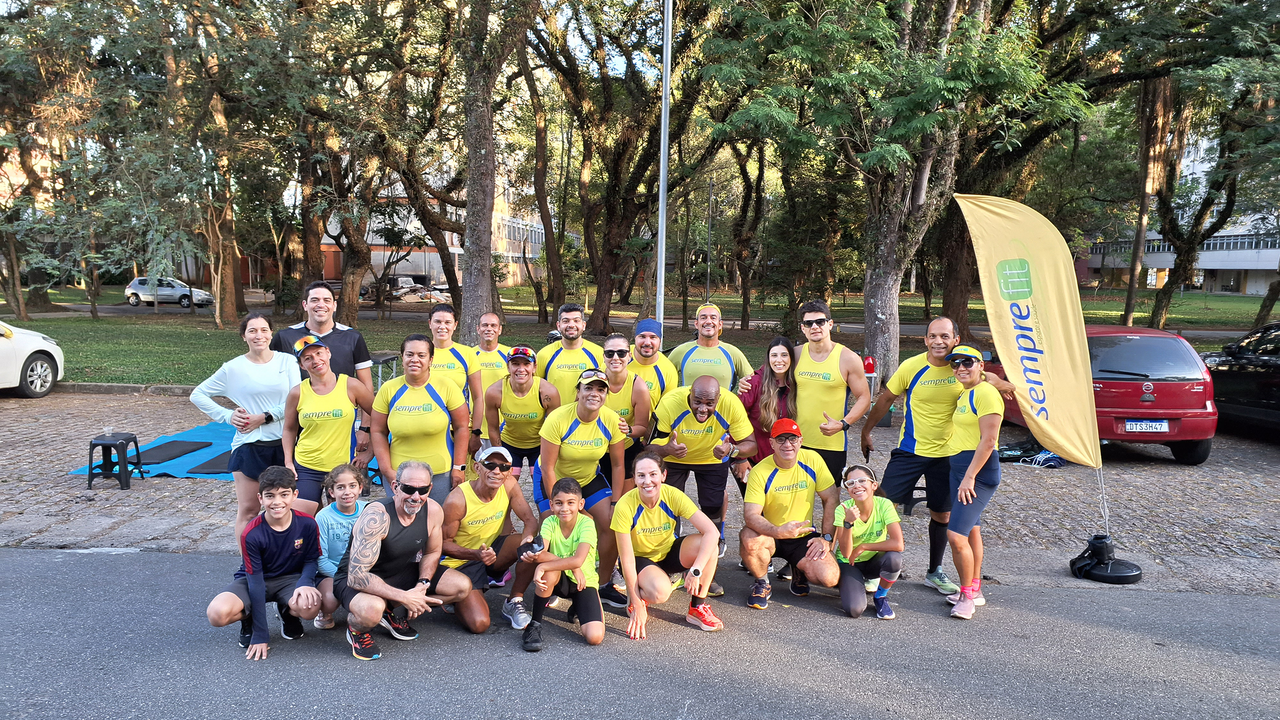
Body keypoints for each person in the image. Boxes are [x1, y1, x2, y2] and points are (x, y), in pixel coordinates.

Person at [860, 316, 1014, 596]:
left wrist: (1004, 386)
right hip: (910, 450)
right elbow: (885, 399)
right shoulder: (912, 366)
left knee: (942, 514)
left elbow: (993, 382)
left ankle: (934, 572)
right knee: (882, 507)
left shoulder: (963, 369)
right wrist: (866, 430)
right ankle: (874, 570)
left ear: (956, 340)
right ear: (925, 340)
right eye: (933, 336)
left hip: (948, 456)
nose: (938, 342)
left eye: (945, 336)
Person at [333, 460, 473, 660]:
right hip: (355, 580)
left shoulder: (433, 511)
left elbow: (432, 552)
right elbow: (356, 576)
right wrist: (405, 597)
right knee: (371, 610)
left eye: (422, 490)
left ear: (430, 489)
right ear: (395, 486)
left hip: (398, 572)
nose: (416, 497)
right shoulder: (377, 517)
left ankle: (389, 610)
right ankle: (357, 630)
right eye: (408, 489)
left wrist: (422, 585)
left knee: (461, 587)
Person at [191, 313, 301, 543]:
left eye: (264, 330)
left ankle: (286, 558)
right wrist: (227, 415)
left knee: (289, 510)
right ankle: (248, 562)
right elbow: (198, 394)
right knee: (249, 510)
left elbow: (297, 398)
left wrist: (265, 417)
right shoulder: (233, 368)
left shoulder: (287, 361)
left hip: (287, 445)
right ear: (244, 336)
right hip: (250, 446)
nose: (259, 335)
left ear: (271, 333)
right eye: (252, 331)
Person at [205, 466, 322, 661]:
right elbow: (256, 582)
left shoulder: (308, 523)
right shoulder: (251, 533)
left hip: (289, 579)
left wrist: (305, 582)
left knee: (310, 607)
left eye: (284, 494)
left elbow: (311, 559)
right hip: (254, 579)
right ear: (260, 498)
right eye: (270, 496)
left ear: (294, 495)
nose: (277, 502)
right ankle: (248, 618)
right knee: (217, 615)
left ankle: (287, 611)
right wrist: (261, 633)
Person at [535, 369, 628, 608]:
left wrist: (615, 502)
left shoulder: (611, 420)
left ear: (606, 395)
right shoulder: (558, 418)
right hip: (555, 478)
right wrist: (559, 505)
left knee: (611, 522)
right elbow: (547, 467)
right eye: (588, 388)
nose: (594, 393)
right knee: (554, 526)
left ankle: (603, 583)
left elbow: (618, 465)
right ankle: (554, 582)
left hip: (587, 479)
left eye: (600, 389)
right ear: (578, 392)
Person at [612, 451, 726, 639]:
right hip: (640, 560)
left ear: (663, 475)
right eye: (641, 475)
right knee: (660, 593)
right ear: (634, 479)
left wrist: (695, 570)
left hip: (667, 553)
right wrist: (637, 604)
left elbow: (712, 532)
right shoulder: (625, 506)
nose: (647, 481)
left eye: (653, 474)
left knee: (710, 546)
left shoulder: (673, 495)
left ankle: (697, 607)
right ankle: (638, 596)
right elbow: (627, 560)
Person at [651, 375, 757, 569]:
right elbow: (648, 447)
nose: (702, 409)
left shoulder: (731, 404)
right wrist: (667, 449)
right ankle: (670, 552)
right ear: (690, 394)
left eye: (709, 403)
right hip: (674, 457)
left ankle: (713, 548)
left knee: (712, 505)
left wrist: (732, 450)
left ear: (719, 399)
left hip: (712, 457)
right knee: (667, 505)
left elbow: (751, 446)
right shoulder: (670, 402)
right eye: (697, 402)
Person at [739, 419, 839, 610]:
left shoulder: (813, 460)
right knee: (749, 538)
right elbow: (751, 515)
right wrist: (778, 531)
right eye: (781, 439)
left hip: (803, 535)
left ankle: (798, 567)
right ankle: (762, 582)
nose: (787, 445)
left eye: (792, 439)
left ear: (800, 441)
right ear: (771, 443)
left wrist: (826, 538)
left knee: (829, 578)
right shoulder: (760, 471)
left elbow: (831, 499)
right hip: (770, 534)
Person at [440, 447, 541, 633]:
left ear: (509, 472)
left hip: (489, 553)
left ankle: (514, 601)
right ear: (477, 468)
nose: (496, 471)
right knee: (479, 624)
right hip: (461, 563)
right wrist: (476, 555)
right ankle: (455, 595)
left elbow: (530, 521)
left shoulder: (509, 484)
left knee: (531, 547)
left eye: (503, 467)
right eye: (490, 465)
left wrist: (526, 542)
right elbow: (443, 545)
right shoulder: (457, 500)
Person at [270, 281, 374, 458]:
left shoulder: (352, 337)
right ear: (305, 305)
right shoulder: (285, 337)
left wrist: (365, 428)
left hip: (340, 425)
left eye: (326, 300)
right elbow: (269, 378)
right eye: (315, 300)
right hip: (299, 425)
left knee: (346, 472)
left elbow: (366, 386)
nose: (321, 304)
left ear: (334, 305)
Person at [370, 334, 470, 506]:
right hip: (399, 476)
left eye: (421, 355)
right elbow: (378, 431)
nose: (414, 360)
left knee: (438, 521)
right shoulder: (388, 389)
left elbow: (462, 427)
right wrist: (387, 471)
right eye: (409, 354)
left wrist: (459, 468)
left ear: (431, 360)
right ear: (402, 358)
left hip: (440, 475)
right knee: (402, 520)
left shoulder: (446, 387)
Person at [942, 344, 1004, 620]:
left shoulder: (986, 393)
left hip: (976, 472)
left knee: (956, 535)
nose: (960, 368)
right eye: (955, 364)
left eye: (967, 362)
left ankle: (967, 596)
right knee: (972, 530)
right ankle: (975, 588)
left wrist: (969, 477)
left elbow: (989, 441)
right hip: (960, 468)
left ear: (981, 365)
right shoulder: (967, 392)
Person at [282, 335, 374, 517]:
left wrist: (370, 451)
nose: (316, 360)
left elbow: (380, 417)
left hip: (342, 467)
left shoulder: (351, 386)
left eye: (318, 353)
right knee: (303, 519)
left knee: (342, 519)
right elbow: (289, 429)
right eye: (308, 358)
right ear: (302, 365)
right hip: (307, 466)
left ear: (328, 353)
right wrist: (288, 462)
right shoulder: (297, 393)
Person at [519, 477, 606, 652]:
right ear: (551, 505)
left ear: (581, 504)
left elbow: (578, 560)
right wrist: (571, 567)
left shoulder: (587, 524)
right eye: (559, 503)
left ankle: (578, 606)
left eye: (570, 502)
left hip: (584, 582)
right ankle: (534, 624)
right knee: (549, 573)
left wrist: (543, 566)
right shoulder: (550, 522)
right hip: (560, 579)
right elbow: (540, 552)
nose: (564, 508)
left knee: (595, 637)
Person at [792, 300, 871, 483]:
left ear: (830, 324)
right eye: (808, 323)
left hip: (832, 443)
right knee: (797, 495)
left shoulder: (848, 358)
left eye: (820, 322)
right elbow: (767, 378)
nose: (814, 327)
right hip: (796, 441)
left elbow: (864, 398)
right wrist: (746, 382)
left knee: (831, 496)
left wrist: (844, 424)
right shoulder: (795, 355)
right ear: (803, 328)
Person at [833, 464, 904, 620]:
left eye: (862, 481)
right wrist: (848, 523)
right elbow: (846, 553)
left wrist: (863, 546)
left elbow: (898, 544)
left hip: (873, 560)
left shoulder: (884, 504)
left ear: (874, 485)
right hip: (849, 563)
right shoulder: (842, 509)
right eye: (851, 483)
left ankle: (880, 597)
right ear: (847, 489)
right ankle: (848, 582)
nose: (856, 486)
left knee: (894, 558)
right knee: (854, 610)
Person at [484, 345, 560, 480]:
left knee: (542, 483)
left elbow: (555, 430)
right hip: (510, 443)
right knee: (507, 484)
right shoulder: (494, 392)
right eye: (515, 364)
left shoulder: (548, 392)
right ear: (508, 367)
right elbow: (493, 428)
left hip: (539, 445)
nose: (521, 369)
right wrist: (501, 456)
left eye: (526, 364)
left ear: (534, 367)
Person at [735, 336, 798, 494]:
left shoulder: (796, 385)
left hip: (781, 459)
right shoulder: (754, 383)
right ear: (768, 358)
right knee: (755, 504)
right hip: (752, 459)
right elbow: (735, 419)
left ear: (791, 358)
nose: (779, 360)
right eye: (774, 355)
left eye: (784, 355)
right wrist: (740, 458)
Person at [314, 464, 368, 630]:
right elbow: (321, 561)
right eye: (340, 487)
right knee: (330, 601)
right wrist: (348, 577)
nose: (347, 492)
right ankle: (324, 610)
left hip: (364, 568)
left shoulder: (368, 509)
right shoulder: (323, 517)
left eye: (352, 486)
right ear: (332, 492)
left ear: (360, 488)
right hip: (333, 570)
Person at [427, 304, 485, 453]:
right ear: (430, 323)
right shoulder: (421, 352)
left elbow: (478, 397)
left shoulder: (466, 353)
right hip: (427, 425)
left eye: (447, 322)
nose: (442, 327)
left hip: (459, 427)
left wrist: (476, 432)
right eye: (437, 322)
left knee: (460, 468)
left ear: (455, 325)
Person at [600, 333, 652, 491]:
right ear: (604, 356)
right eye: (610, 353)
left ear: (629, 356)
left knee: (624, 498)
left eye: (621, 353)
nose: (615, 358)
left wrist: (628, 430)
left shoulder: (638, 386)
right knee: (598, 498)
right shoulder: (594, 381)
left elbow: (642, 427)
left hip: (625, 448)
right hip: (596, 448)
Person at [668, 303, 753, 392]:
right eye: (703, 318)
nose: (708, 321)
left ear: (720, 324)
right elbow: (663, 378)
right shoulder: (681, 351)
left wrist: (745, 385)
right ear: (696, 324)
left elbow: (754, 383)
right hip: (687, 402)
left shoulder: (732, 352)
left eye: (713, 318)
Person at [536, 303, 604, 401]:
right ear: (558, 325)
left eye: (576, 321)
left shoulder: (599, 353)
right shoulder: (544, 354)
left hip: (586, 411)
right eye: (566, 321)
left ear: (583, 325)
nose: (571, 325)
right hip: (555, 411)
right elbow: (534, 388)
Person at [474, 312, 512, 443]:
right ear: (478, 329)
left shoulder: (510, 355)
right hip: (475, 427)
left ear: (499, 329)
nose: (489, 329)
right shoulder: (469, 355)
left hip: (504, 427)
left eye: (493, 325)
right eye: (485, 325)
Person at [628, 318, 678, 407]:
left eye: (653, 337)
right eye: (642, 336)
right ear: (635, 338)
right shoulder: (618, 357)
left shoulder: (668, 370)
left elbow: (667, 407)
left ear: (660, 341)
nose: (647, 342)